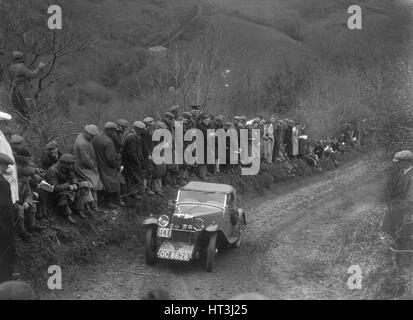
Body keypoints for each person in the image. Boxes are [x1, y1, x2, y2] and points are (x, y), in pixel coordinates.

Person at [382, 150, 413, 250]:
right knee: (387, 223)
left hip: (406, 207)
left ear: (406, 161)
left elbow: (410, 197)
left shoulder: (411, 176)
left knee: (395, 226)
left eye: (398, 162)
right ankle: (397, 242)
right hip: (398, 204)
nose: (397, 163)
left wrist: (398, 207)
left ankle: (401, 245)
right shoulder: (403, 172)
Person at [45, 154, 87, 223]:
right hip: (54, 193)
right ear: (64, 163)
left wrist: (75, 183)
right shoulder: (52, 170)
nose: (72, 166)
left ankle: (78, 209)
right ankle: (67, 214)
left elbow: (73, 177)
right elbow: (54, 188)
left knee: (83, 187)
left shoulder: (66, 168)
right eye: (71, 164)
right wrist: (68, 186)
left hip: (64, 188)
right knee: (65, 195)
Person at [93, 122, 122, 209]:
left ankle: (106, 201)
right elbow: (110, 159)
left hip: (98, 163)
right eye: (113, 131)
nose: (114, 133)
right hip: (107, 165)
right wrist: (116, 165)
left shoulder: (96, 137)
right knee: (111, 182)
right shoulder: (108, 141)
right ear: (108, 130)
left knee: (103, 182)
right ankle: (109, 202)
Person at [74, 125, 102, 213]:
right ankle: (94, 206)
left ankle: (92, 206)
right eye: (92, 136)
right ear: (87, 133)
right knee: (93, 184)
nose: (93, 137)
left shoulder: (84, 137)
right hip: (84, 167)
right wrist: (94, 167)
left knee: (94, 183)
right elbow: (86, 160)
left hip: (86, 165)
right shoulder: (82, 143)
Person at [8, 51, 46, 117]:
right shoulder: (21, 67)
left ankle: (20, 123)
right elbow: (32, 75)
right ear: (20, 58)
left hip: (13, 91)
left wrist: (24, 78)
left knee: (18, 110)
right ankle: (28, 123)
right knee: (26, 110)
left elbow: (18, 78)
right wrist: (40, 67)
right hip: (21, 91)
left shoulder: (11, 67)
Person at [0, 153, 17, 283]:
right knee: (3, 249)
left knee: (6, 248)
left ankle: (8, 274)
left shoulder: (2, 178)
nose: (7, 168)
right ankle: (4, 278)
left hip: (5, 220)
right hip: (2, 221)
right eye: (6, 165)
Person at [122, 121, 146, 200]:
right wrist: (138, 162)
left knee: (135, 178)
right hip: (131, 163)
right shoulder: (131, 137)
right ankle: (132, 195)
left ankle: (134, 194)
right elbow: (131, 153)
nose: (142, 131)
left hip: (133, 162)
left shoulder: (135, 136)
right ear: (137, 129)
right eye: (141, 130)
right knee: (133, 178)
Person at [0, 111, 18, 204]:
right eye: (4, 123)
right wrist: (8, 169)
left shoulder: (2, 136)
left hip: (7, 179)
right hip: (4, 178)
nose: (6, 126)